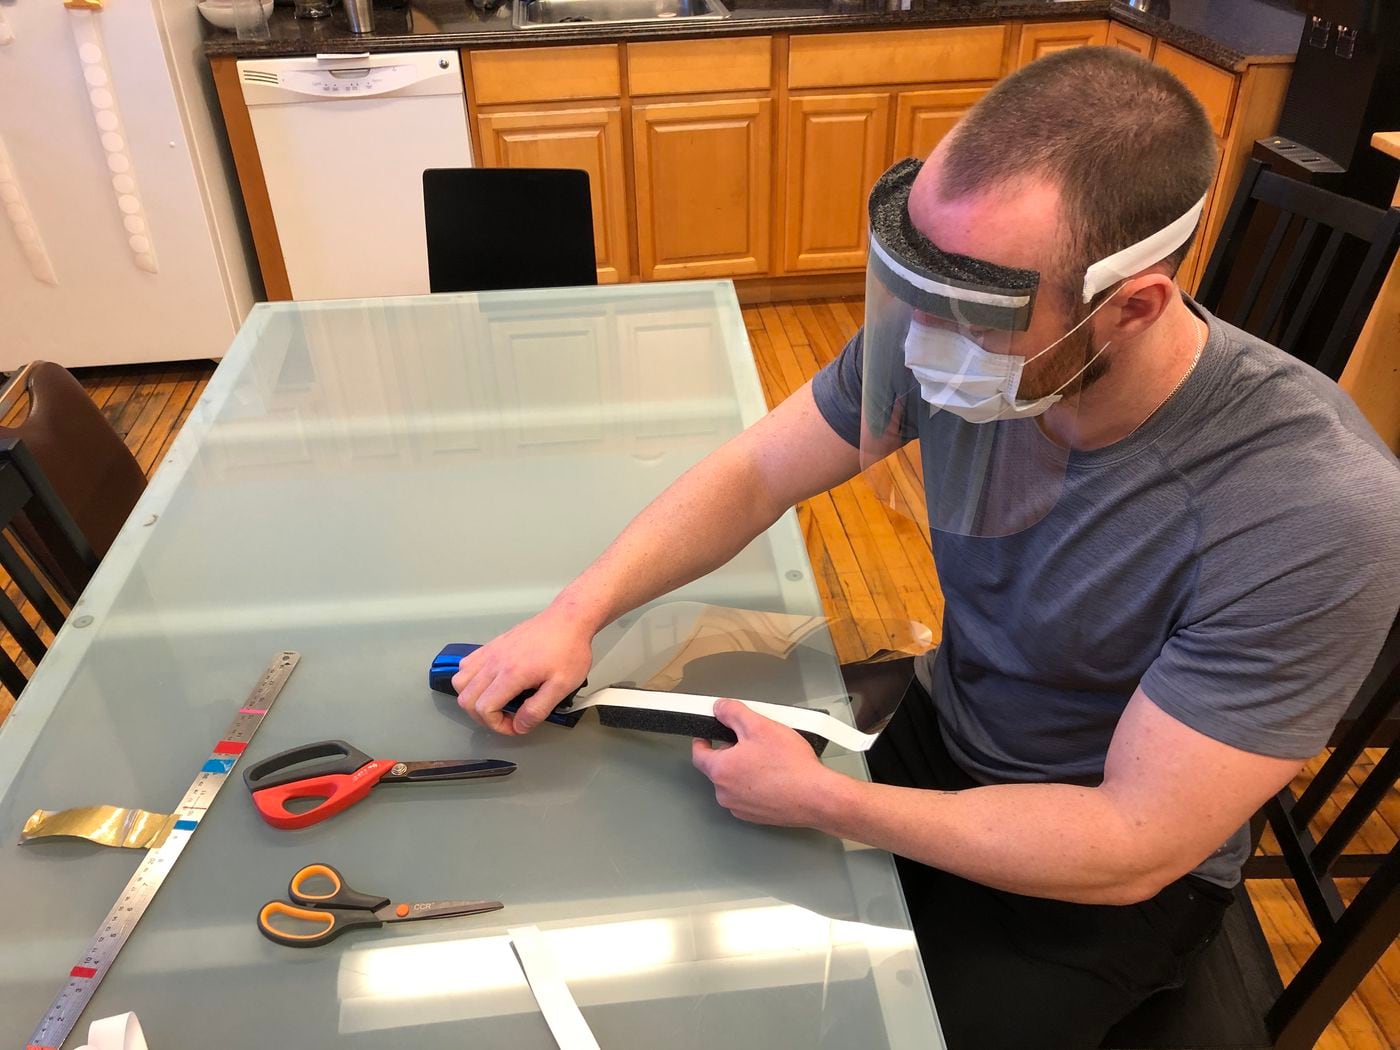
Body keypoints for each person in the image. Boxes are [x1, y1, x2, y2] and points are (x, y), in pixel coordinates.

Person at [452, 47, 1400, 1048]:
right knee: (674, 920)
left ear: (1131, 307)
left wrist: (825, 802)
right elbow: (757, 473)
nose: (921, 338)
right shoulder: (957, 340)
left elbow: (1131, 841)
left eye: (973, 316)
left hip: (1098, 870)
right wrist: (576, 613)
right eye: (916, 286)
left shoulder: (1312, 510)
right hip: (946, 729)